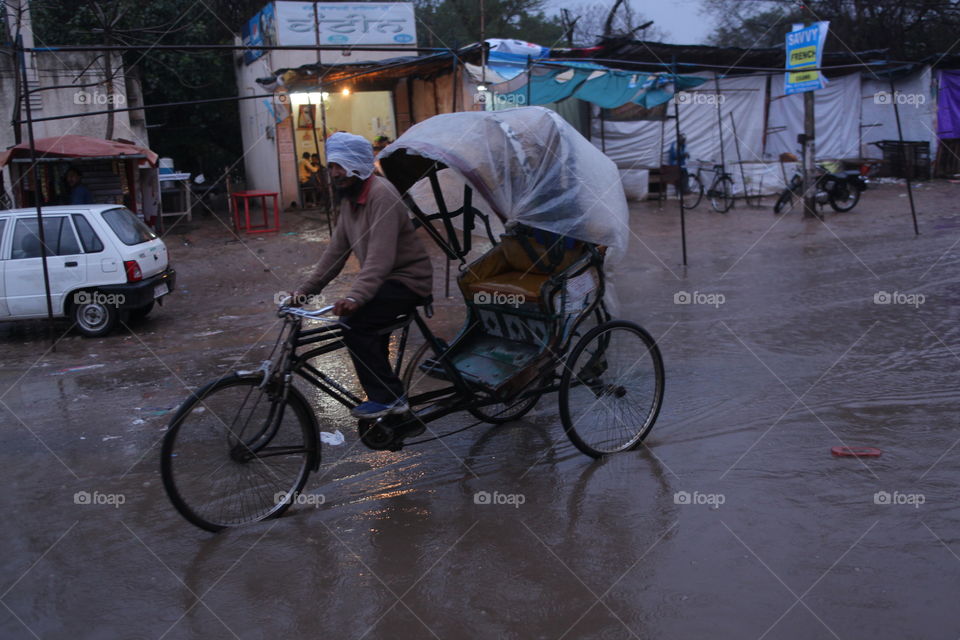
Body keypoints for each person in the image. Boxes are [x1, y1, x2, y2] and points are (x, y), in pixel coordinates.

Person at [293, 132, 434, 420]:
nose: (335, 174)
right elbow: (335, 254)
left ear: (357, 164)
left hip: (407, 281)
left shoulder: (382, 195)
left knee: (353, 322)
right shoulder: (350, 200)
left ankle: (390, 398)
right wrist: (304, 292)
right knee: (362, 322)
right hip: (383, 281)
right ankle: (386, 402)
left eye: (340, 166)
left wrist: (355, 296)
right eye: (332, 167)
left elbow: (379, 259)